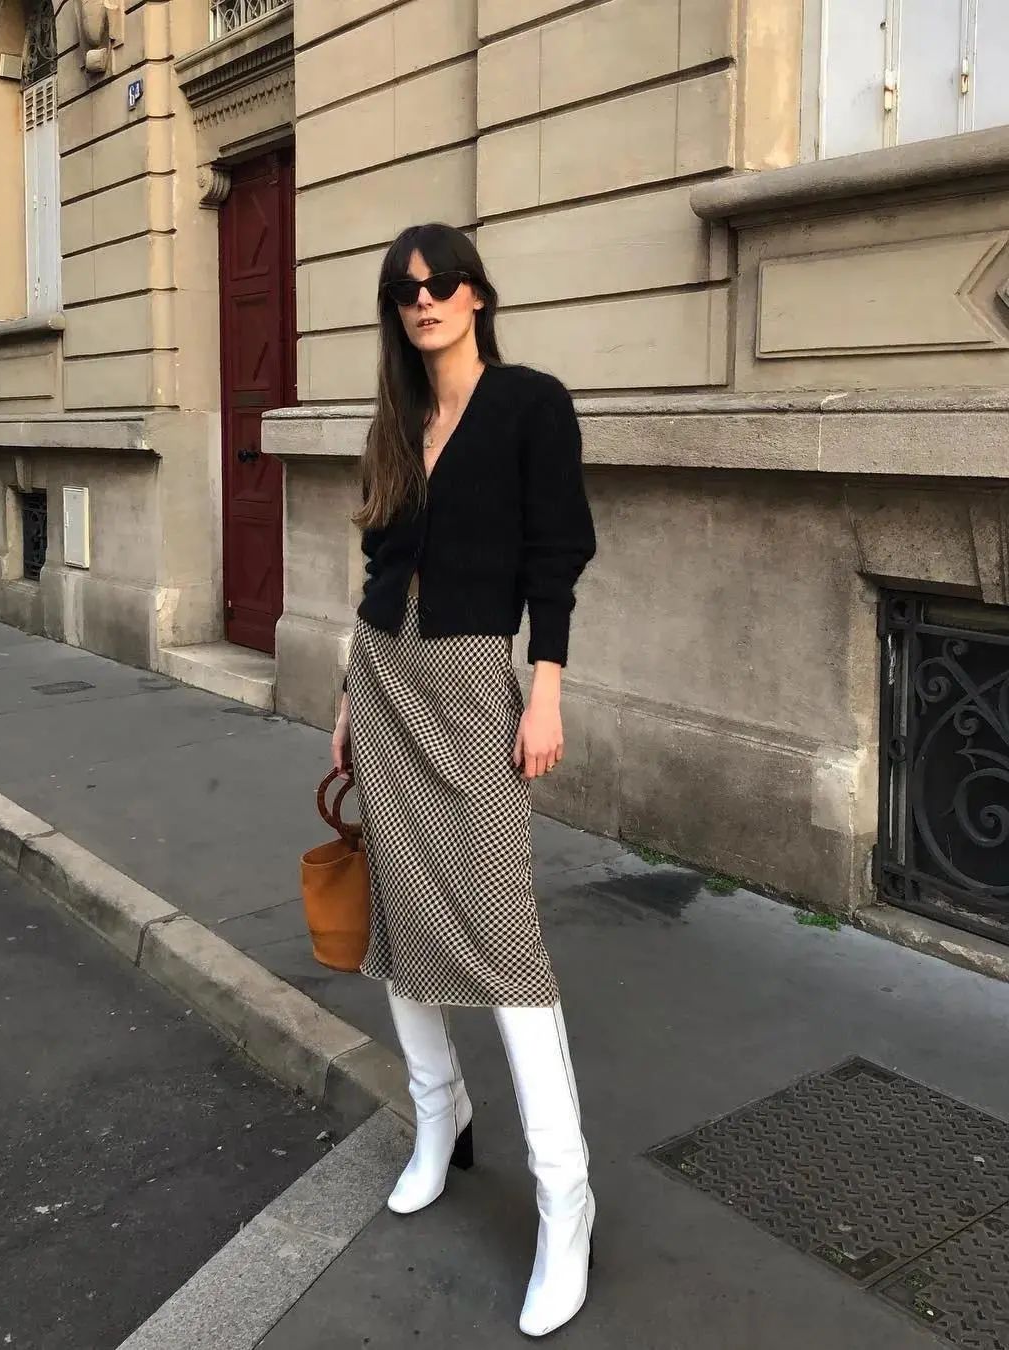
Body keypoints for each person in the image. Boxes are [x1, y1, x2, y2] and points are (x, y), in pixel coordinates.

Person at [331, 222, 596, 1338]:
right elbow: (379, 564)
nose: (424, 301)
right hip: (386, 679)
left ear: (477, 295)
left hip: (478, 680)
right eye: (406, 291)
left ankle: (565, 1199)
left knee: (503, 940)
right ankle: (439, 1115)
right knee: (399, 918)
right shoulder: (397, 421)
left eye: (440, 284)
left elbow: (557, 552)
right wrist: (347, 700)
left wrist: (548, 688)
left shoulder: (531, 403)